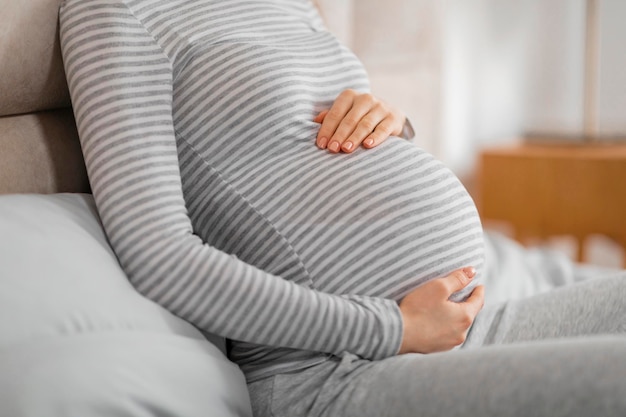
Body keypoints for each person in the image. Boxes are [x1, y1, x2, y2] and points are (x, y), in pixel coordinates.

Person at [59, 0, 626, 416]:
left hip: (464, 327)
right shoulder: (114, 12)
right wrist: (393, 328)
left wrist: (390, 121)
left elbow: (306, 140)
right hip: (334, 370)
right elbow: (159, 256)